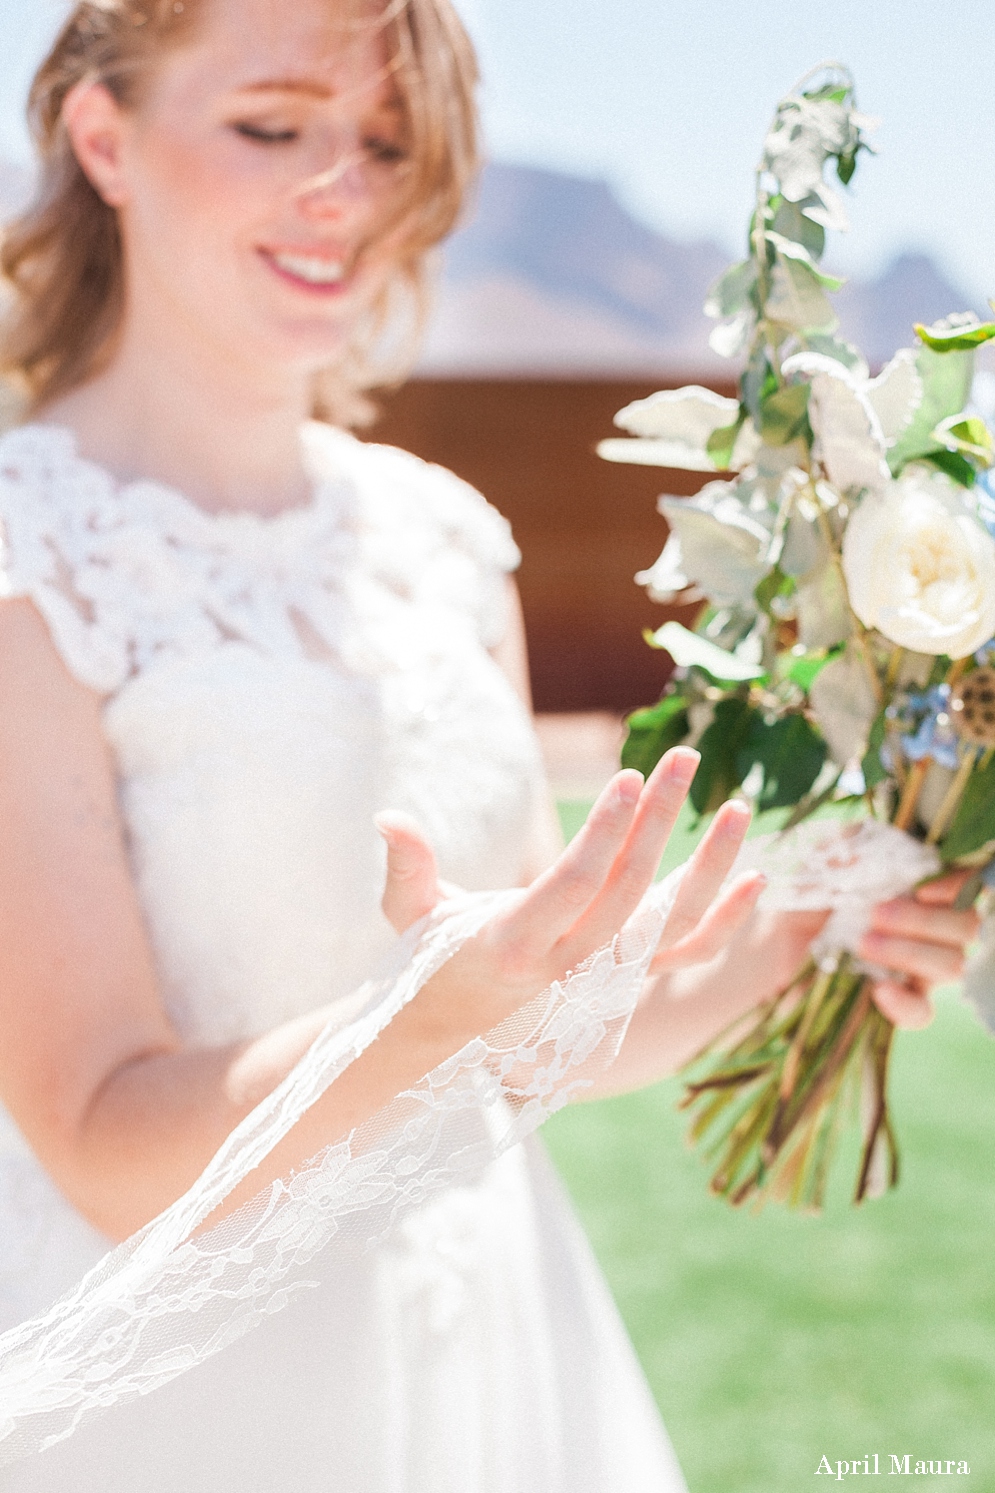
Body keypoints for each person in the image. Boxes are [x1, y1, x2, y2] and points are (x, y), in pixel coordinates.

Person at [0, 0, 978, 1487]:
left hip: (491, 1353)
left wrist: (803, 927)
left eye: (389, 141)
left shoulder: (445, 539)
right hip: (175, 1401)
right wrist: (421, 1022)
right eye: (272, 126)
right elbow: (94, 1133)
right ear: (102, 138)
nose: (349, 187)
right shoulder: (26, 549)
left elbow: (546, 1030)